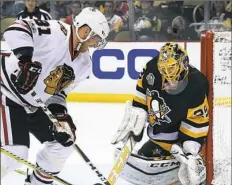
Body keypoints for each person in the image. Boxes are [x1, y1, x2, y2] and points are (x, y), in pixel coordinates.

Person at [0, 7, 109, 185]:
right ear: (85, 30)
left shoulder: (84, 64)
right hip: (7, 90)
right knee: (15, 154)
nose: (95, 43)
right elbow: (15, 29)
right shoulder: (56, 31)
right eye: (95, 37)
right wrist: (25, 60)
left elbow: (59, 93)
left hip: (34, 103)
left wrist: (61, 116)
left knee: (64, 144)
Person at [111, 42, 209, 185]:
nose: (168, 75)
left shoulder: (197, 85)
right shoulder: (151, 70)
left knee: (186, 177)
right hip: (158, 138)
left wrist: (190, 152)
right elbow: (141, 94)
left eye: (171, 68)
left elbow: (197, 121)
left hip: (179, 145)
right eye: (164, 69)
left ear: (183, 65)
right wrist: (139, 112)